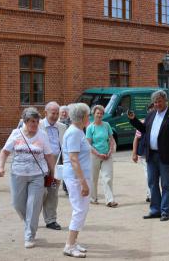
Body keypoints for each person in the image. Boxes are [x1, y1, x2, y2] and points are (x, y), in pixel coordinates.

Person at [0, 107, 56, 248]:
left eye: (36, 121)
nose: (34, 124)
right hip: (18, 174)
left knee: (34, 205)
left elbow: (48, 155)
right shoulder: (16, 134)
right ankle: (31, 221)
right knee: (17, 204)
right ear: (25, 121)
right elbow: (5, 152)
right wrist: (0, 167)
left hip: (37, 175)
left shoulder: (42, 135)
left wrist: (54, 173)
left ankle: (29, 235)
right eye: (31, 121)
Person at [128, 90, 169, 221]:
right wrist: (133, 120)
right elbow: (143, 130)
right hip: (151, 155)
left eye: (159, 101)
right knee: (152, 183)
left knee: (165, 184)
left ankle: (165, 211)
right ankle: (155, 210)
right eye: (155, 102)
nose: (157, 104)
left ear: (165, 101)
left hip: (165, 155)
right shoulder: (150, 115)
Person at [62, 103, 91, 258]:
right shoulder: (74, 132)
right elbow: (73, 159)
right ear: (82, 117)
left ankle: (74, 242)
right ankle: (69, 245)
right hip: (75, 178)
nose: (89, 117)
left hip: (80, 176)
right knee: (79, 210)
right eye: (88, 115)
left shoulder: (79, 131)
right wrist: (83, 183)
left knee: (82, 209)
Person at [39, 102, 67, 230]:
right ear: (46, 113)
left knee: (53, 192)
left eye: (57, 113)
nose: (55, 116)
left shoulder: (62, 127)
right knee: (39, 192)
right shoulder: (37, 125)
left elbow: (64, 146)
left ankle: (51, 220)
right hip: (40, 162)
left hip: (56, 163)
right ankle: (32, 219)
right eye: (53, 113)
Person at [86, 105, 118, 207]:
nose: (99, 115)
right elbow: (88, 144)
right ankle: (93, 198)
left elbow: (111, 139)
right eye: (97, 113)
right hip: (95, 155)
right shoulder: (90, 128)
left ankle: (110, 200)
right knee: (93, 178)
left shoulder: (106, 125)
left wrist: (110, 151)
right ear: (93, 114)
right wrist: (98, 154)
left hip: (107, 155)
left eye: (101, 113)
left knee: (107, 177)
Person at [131, 103, 154, 203]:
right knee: (148, 174)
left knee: (156, 175)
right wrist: (134, 153)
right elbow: (136, 139)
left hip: (156, 153)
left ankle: (152, 194)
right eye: (150, 110)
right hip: (144, 153)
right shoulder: (143, 122)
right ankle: (151, 195)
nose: (152, 112)